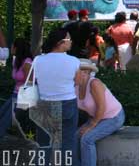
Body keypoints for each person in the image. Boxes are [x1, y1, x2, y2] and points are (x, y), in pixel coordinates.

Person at [33, 27, 81, 162]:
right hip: (67, 103)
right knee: (67, 143)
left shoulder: (38, 60)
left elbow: (33, 80)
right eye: (69, 39)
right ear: (61, 42)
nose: (71, 42)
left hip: (44, 104)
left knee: (44, 143)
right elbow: (77, 82)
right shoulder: (74, 61)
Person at [75, 59, 125, 166]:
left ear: (87, 73)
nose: (81, 74)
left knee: (86, 139)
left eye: (85, 71)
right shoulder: (75, 86)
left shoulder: (94, 83)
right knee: (75, 136)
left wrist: (91, 125)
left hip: (113, 117)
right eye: (77, 71)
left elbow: (102, 107)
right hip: (96, 117)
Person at [0, 38, 32, 136]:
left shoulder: (27, 63)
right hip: (15, 95)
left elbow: (30, 83)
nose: (10, 48)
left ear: (17, 48)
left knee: (6, 122)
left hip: (22, 98)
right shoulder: (16, 61)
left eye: (12, 46)